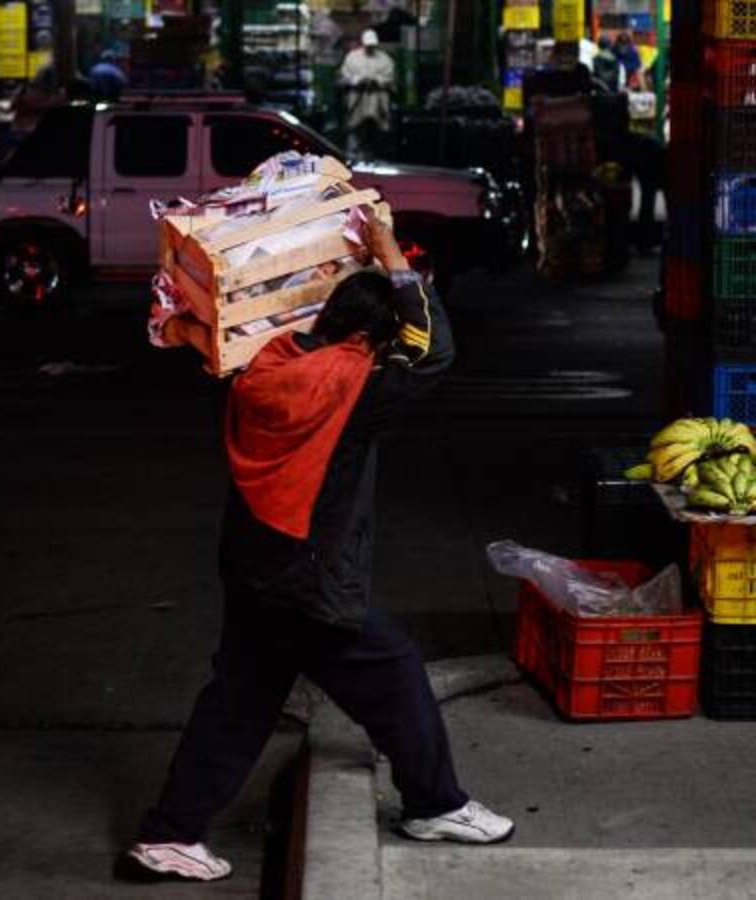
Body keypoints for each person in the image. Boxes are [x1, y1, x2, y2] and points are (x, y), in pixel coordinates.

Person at [119, 212, 514, 883]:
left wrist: (179, 322)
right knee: (394, 675)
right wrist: (390, 251)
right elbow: (436, 351)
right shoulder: (355, 387)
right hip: (307, 577)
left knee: (240, 700)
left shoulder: (267, 364)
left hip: (252, 564)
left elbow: (218, 337)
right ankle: (435, 804)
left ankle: (169, 835)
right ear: (368, 337)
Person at [340, 30, 395, 160]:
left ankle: (376, 153)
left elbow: (390, 77)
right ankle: (354, 152)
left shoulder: (384, 59)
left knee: (378, 125)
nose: (370, 48)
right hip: (357, 96)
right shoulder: (352, 57)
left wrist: (377, 80)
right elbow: (346, 75)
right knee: (355, 124)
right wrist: (358, 80)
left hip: (377, 96)